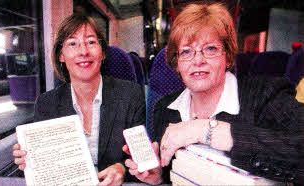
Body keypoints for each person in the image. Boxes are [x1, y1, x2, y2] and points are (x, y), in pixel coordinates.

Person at [124, 2, 304, 184]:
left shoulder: (265, 95)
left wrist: (205, 130)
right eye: (186, 52)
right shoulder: (164, 108)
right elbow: (171, 174)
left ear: (228, 56)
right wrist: (158, 176)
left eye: (210, 49)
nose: (198, 60)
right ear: (176, 63)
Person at [13, 14, 145, 186]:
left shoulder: (130, 95)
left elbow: (141, 159)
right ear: (61, 55)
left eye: (91, 42)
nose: (83, 51)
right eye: (72, 44)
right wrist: (29, 163)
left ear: (102, 52)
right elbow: (48, 170)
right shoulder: (46, 104)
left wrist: (122, 169)